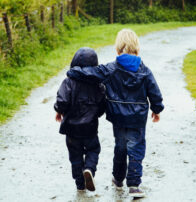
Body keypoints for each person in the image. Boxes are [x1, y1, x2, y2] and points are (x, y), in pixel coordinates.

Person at [67, 29, 164, 198]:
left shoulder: (110, 69)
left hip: (118, 117)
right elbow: (154, 92)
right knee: (136, 149)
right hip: (137, 120)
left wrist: (73, 72)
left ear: (117, 50)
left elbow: (91, 73)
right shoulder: (145, 71)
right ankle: (134, 185)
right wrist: (157, 109)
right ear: (138, 50)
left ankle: (118, 179)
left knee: (120, 147)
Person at [54, 47, 105, 192]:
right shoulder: (98, 85)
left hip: (71, 129)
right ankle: (89, 169)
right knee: (93, 149)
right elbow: (102, 106)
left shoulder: (68, 82)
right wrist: (95, 114)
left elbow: (62, 101)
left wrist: (58, 110)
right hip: (90, 128)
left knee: (75, 155)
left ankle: (79, 183)